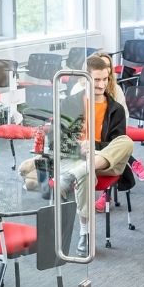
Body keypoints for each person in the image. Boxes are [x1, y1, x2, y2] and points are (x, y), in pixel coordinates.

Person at [56, 53, 134, 249]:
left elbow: (116, 143)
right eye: (96, 79)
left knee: (126, 141)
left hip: (107, 162)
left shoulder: (115, 109)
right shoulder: (69, 103)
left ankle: (79, 170)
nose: (101, 84)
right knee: (85, 171)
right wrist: (80, 148)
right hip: (79, 160)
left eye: (105, 79)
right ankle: (85, 233)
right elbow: (60, 140)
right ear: (85, 79)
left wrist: (93, 146)